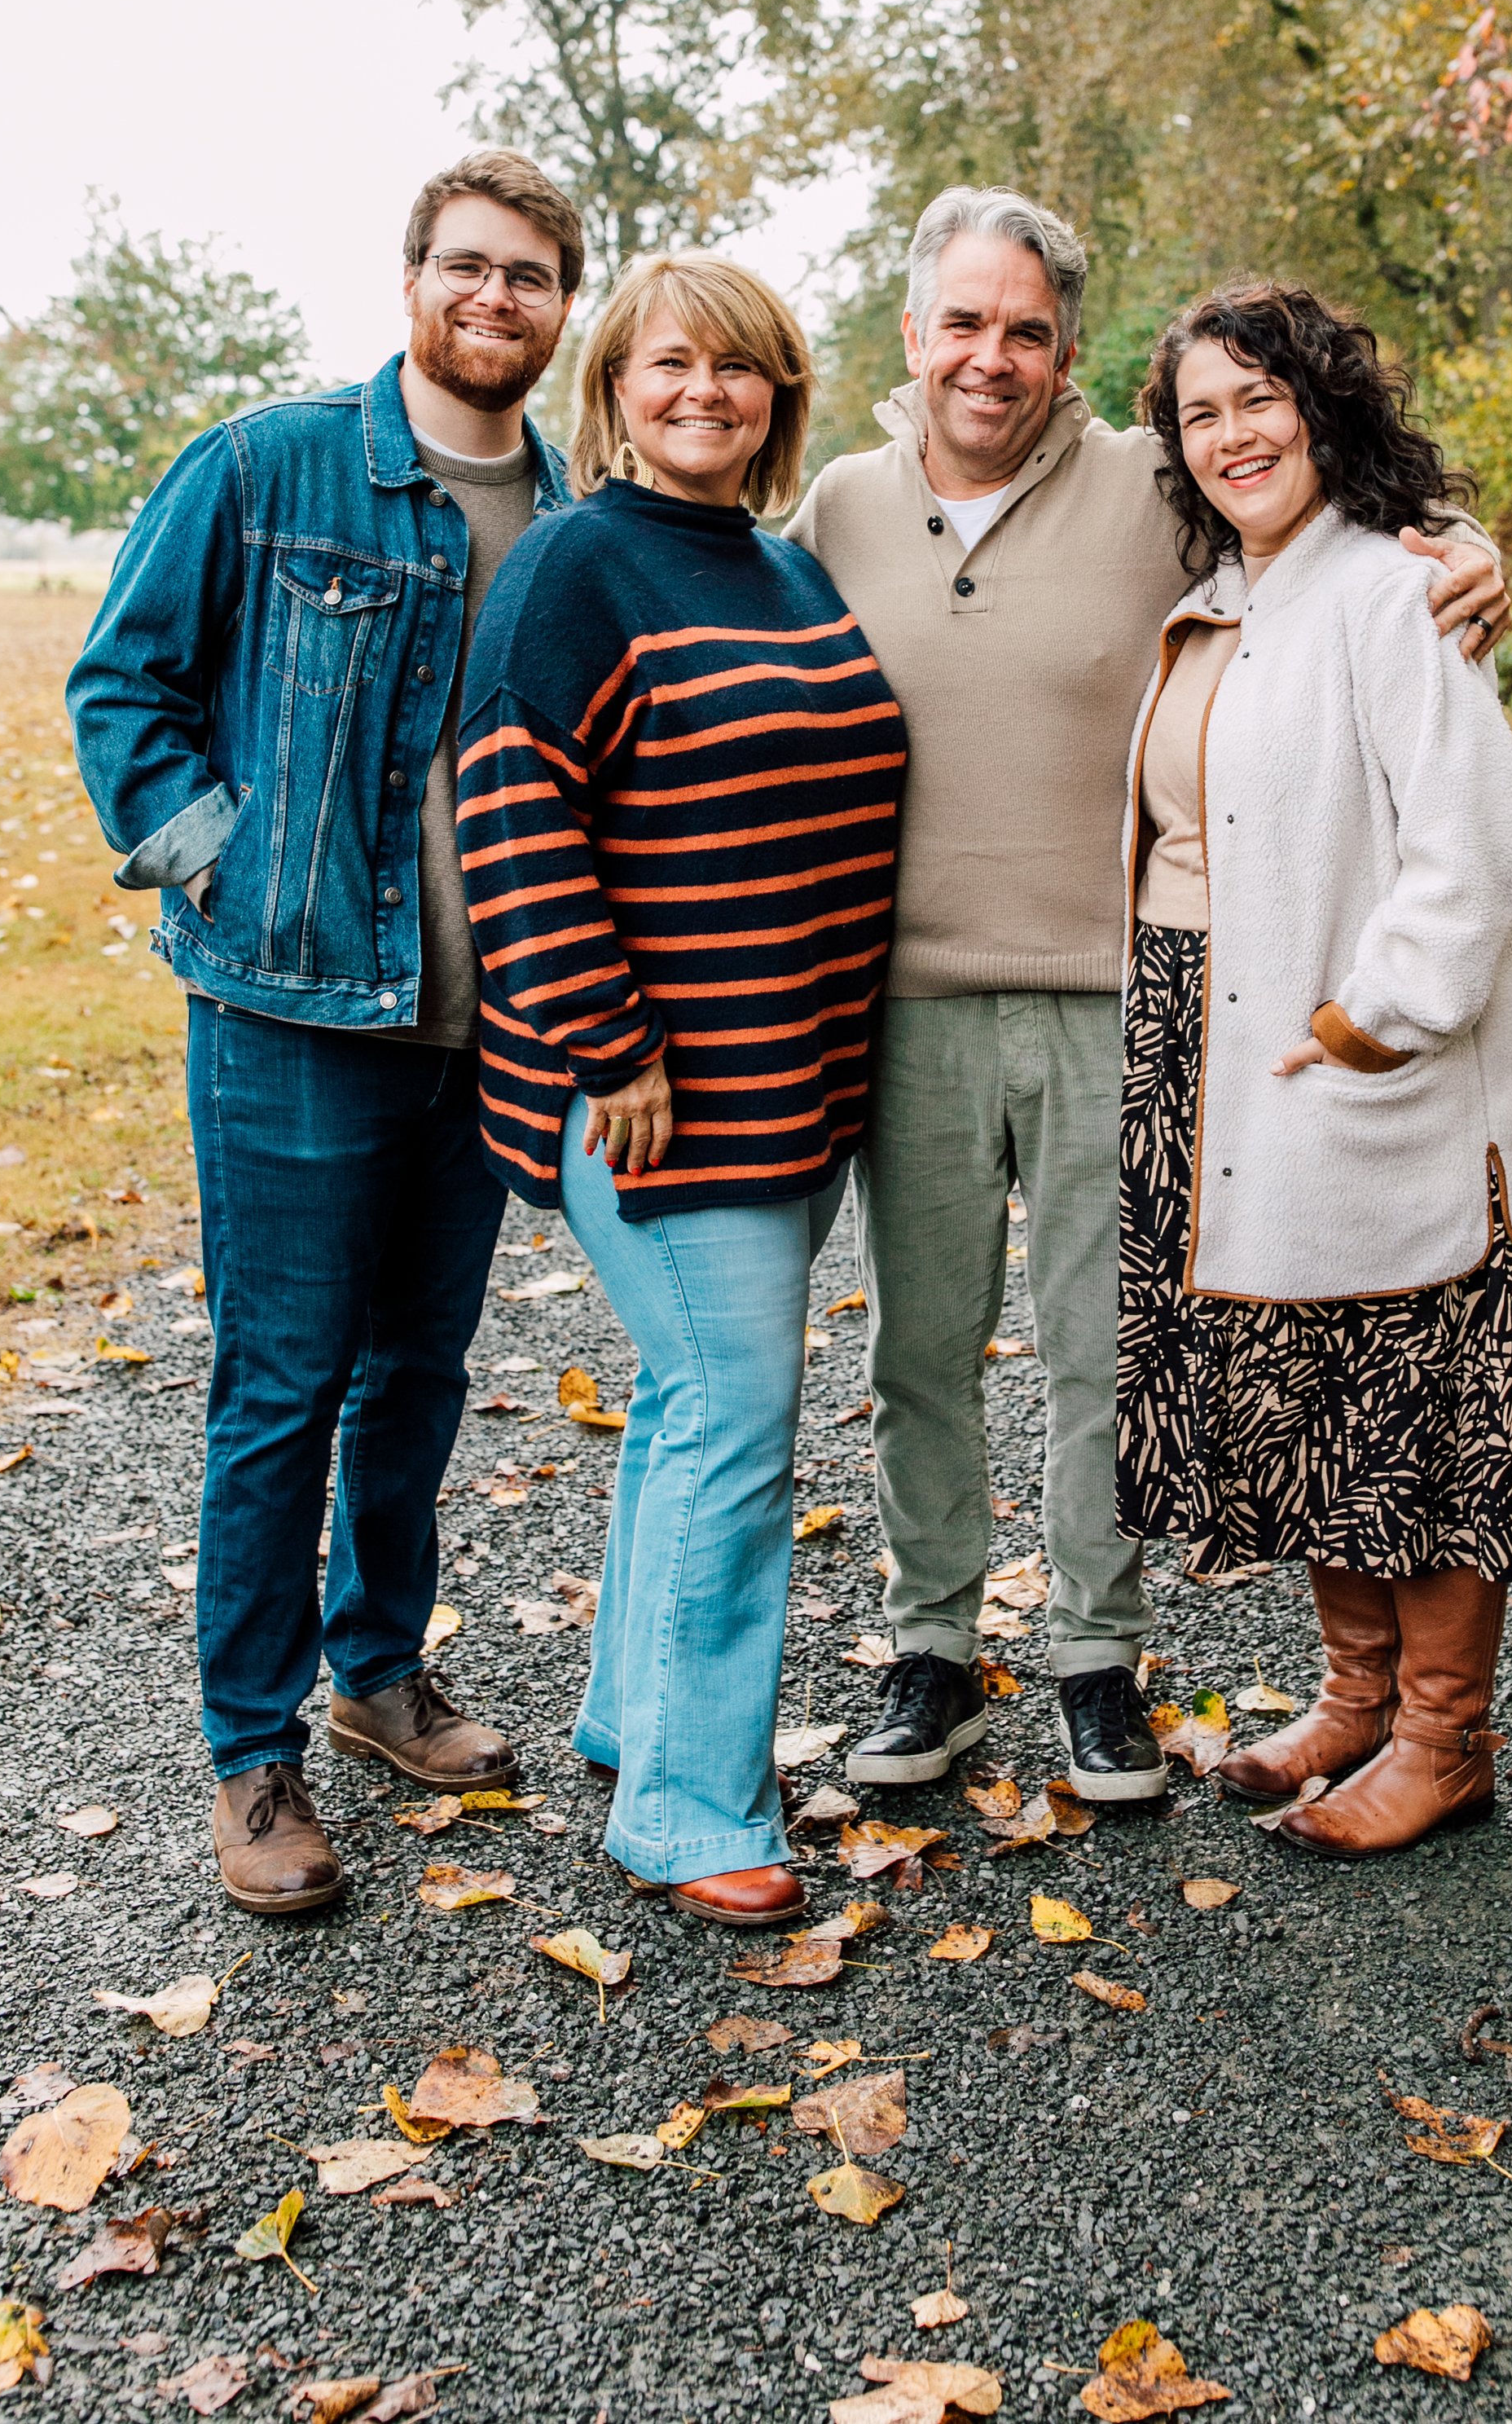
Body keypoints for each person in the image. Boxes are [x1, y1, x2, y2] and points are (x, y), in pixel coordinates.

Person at [785, 187, 1512, 1804]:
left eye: (1026, 329)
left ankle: (1094, 1659)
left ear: (1063, 352)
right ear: (911, 337)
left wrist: (1463, 552)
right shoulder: (834, 508)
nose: (991, 357)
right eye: (962, 323)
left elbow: (1334, 534)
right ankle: (927, 1647)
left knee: (1100, 1350)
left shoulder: (1151, 485)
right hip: (900, 1005)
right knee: (920, 1346)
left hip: (1110, 996)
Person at [66, 150, 584, 1913]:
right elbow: (122, 685)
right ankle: (252, 1755)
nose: (493, 298)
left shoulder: (572, 512)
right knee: (280, 1389)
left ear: (560, 305)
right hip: (291, 1013)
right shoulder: (271, 464)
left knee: (420, 1377)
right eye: (467, 267)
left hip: (482, 1033)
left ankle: (377, 1678)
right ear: (414, 280)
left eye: (528, 274)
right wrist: (225, 875)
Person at [458, 254, 905, 1928]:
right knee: (736, 1415)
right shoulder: (577, 564)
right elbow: (509, 813)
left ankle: (633, 1716)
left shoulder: (784, 573)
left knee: (684, 1402)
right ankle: (685, 1806)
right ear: (615, 390)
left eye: (736, 369)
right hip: (655, 1095)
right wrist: (609, 1040)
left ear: (777, 394)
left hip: (792, 1087)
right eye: (667, 366)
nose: (702, 392)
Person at [1115, 280, 1512, 1855]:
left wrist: (1368, 1023)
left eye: (1261, 398)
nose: (1233, 433)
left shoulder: (1395, 589)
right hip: (1215, 1046)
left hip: (1361, 1066)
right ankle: (1354, 1697)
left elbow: (1469, 848)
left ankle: (1446, 1738)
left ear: (1322, 406)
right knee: (1310, 1388)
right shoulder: (1248, 587)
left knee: (1423, 1402)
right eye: (1201, 412)